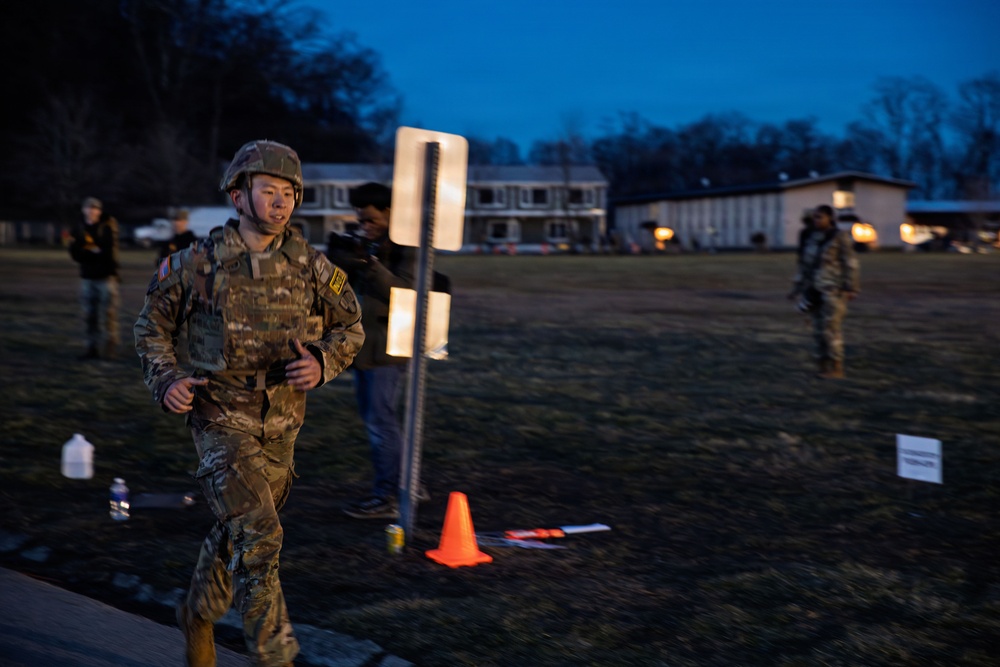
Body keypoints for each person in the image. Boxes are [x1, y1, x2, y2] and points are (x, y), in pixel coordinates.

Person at [134, 140, 364, 667]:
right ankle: (275, 657)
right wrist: (166, 378)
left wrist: (324, 362)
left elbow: (350, 327)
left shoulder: (311, 267)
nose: (281, 203)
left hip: (283, 420)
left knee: (239, 528)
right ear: (238, 196)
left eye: (289, 194)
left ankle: (195, 613)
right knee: (260, 537)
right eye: (269, 192)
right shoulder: (196, 263)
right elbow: (152, 327)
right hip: (219, 416)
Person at [327, 182, 424, 520]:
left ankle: (390, 494)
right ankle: (406, 484)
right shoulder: (369, 243)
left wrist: (369, 264)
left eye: (371, 220)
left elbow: (409, 292)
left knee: (379, 419)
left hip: (389, 347)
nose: (364, 225)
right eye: (360, 219)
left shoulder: (406, 248)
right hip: (363, 347)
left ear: (389, 214)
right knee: (379, 419)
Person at [789, 204, 860, 379]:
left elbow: (850, 262)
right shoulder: (811, 238)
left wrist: (851, 287)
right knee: (818, 330)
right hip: (813, 289)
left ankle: (836, 367)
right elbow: (804, 266)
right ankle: (822, 365)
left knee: (831, 329)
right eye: (814, 217)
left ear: (830, 218)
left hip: (833, 289)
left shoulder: (839, 237)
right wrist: (797, 289)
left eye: (820, 217)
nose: (816, 220)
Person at [69, 196, 120, 360]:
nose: (92, 211)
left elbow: (107, 251)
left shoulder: (107, 226)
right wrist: (91, 251)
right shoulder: (79, 227)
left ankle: (109, 349)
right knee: (89, 315)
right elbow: (75, 252)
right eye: (89, 208)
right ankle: (92, 348)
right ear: (84, 210)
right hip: (87, 276)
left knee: (108, 314)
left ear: (99, 211)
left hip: (106, 277)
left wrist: (89, 251)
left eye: (95, 208)